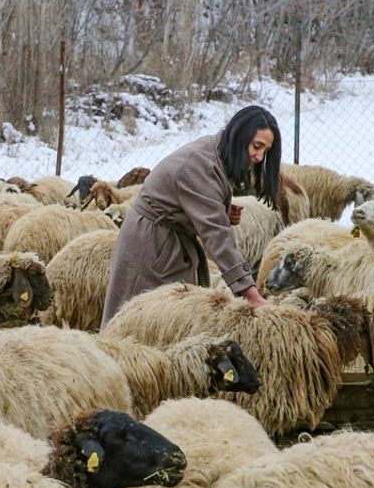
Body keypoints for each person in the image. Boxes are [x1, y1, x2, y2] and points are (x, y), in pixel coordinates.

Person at [100, 105, 287, 328]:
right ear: (239, 136)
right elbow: (217, 236)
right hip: (151, 248)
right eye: (257, 146)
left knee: (171, 326)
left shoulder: (217, 151)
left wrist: (219, 207)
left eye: (266, 151)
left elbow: (192, 198)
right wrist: (250, 293)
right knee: (136, 326)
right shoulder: (199, 165)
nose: (259, 157)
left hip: (169, 242)